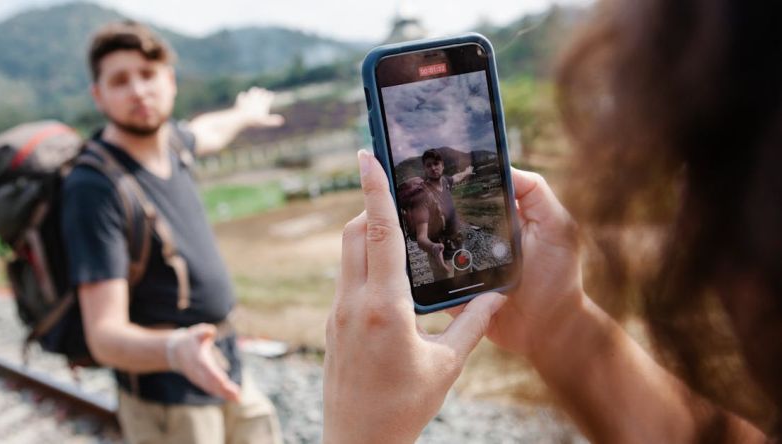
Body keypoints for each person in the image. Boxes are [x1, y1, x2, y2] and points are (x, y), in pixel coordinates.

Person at [324, 0, 782, 442]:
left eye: (697, 170)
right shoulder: (425, 188)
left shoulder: (445, 178)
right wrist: (559, 318)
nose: (685, 220)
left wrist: (360, 436)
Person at [62, 21, 283, 444]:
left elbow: (210, 130)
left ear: (170, 81)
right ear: (98, 95)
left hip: (227, 365)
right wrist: (175, 351)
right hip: (168, 398)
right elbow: (104, 336)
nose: (138, 90)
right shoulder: (94, 187)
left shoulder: (174, 144)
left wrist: (244, 114)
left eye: (148, 74)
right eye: (120, 80)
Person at [402, 148, 473, 279]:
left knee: (466, 280)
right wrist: (434, 248)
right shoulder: (423, 197)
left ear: (442, 165)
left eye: (436, 164)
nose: (433, 168)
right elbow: (421, 238)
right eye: (429, 165)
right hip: (442, 254)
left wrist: (467, 172)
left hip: (458, 243)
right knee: (447, 286)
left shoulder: (445, 181)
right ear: (424, 169)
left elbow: (456, 177)